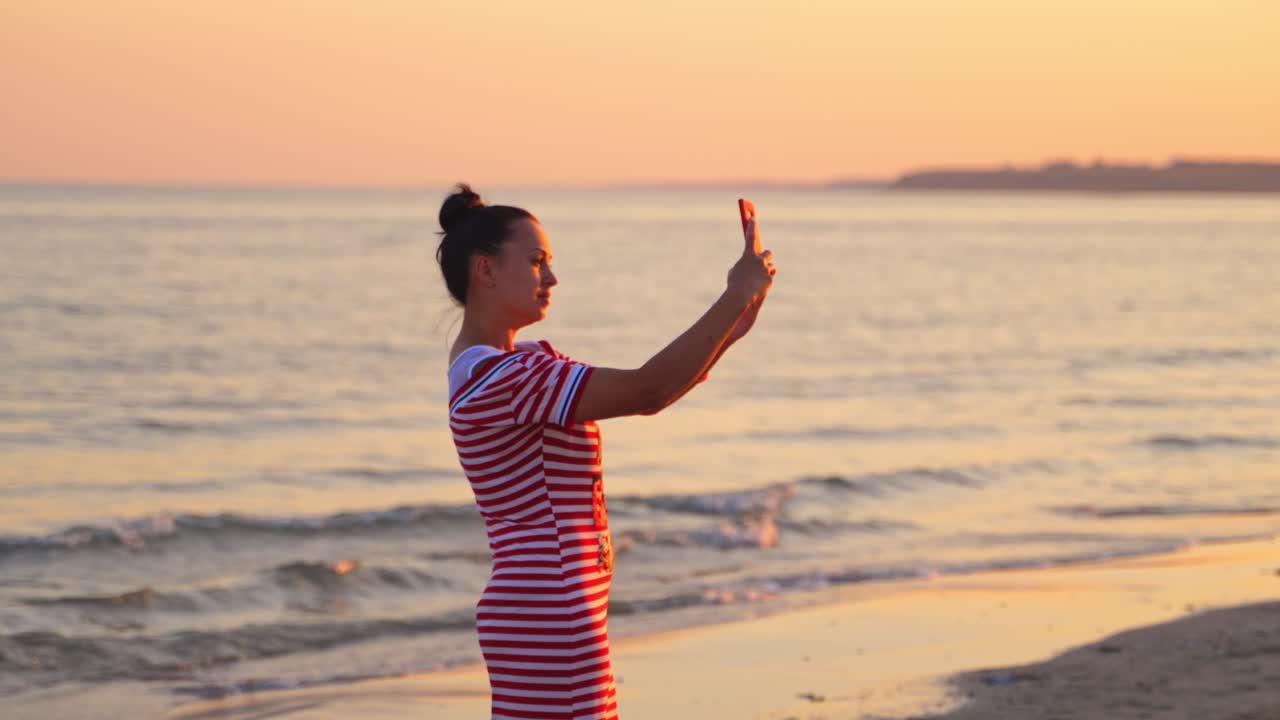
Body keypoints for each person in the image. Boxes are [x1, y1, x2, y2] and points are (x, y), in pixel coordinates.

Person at [438, 183, 775, 719]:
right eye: (537, 261)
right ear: (485, 270)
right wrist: (734, 297)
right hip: (548, 611)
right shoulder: (507, 377)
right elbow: (648, 390)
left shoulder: (511, 367)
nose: (552, 277)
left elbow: (653, 390)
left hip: (550, 609)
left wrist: (733, 325)